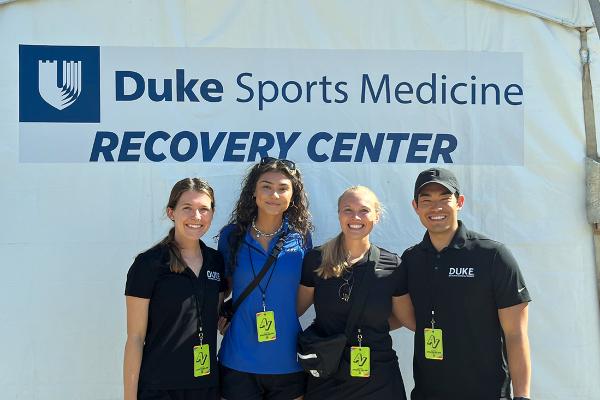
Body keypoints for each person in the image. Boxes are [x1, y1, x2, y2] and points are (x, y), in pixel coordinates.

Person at [403, 168, 531, 400]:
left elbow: (516, 334)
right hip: (427, 393)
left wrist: (522, 396)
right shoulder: (411, 259)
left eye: (445, 199)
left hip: (487, 393)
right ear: (415, 207)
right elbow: (407, 316)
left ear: (459, 202)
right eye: (427, 200)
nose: (436, 208)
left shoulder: (493, 255)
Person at [297, 186, 415, 400]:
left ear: (376, 216)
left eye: (364, 210)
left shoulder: (393, 265)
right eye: (348, 210)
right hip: (328, 372)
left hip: (379, 376)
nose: (355, 217)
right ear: (339, 214)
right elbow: (295, 309)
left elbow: (408, 319)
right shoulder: (316, 260)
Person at [217, 157, 313, 400]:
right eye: (266, 186)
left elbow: (305, 293)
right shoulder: (232, 236)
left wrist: (285, 315)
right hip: (237, 359)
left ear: (293, 196)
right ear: (254, 193)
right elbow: (222, 288)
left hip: (288, 360)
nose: (274, 194)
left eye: (283, 188)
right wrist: (218, 312)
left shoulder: (301, 238)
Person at [123, 178, 226, 400]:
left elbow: (212, 313)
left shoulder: (216, 261)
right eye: (187, 208)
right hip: (159, 389)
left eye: (203, 209)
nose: (196, 217)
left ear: (212, 214)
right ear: (172, 212)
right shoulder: (149, 264)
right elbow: (134, 337)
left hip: (206, 387)